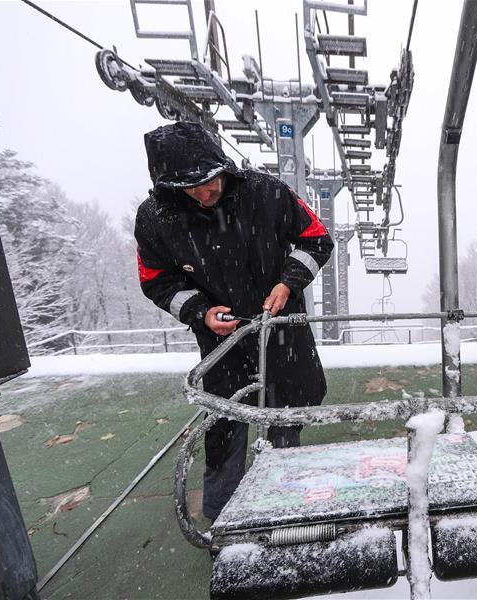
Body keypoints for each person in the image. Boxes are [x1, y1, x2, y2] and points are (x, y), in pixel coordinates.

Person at [134, 121, 333, 520]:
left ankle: (284, 505)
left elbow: (316, 238)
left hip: (279, 335)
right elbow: (155, 279)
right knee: (224, 429)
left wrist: (287, 284)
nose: (207, 193)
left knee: (283, 419)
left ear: (223, 166)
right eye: (193, 189)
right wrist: (200, 312)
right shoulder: (156, 219)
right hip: (220, 345)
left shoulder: (266, 192)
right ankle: (222, 521)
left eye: (212, 180)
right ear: (171, 188)